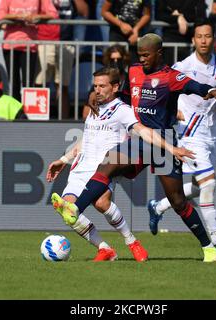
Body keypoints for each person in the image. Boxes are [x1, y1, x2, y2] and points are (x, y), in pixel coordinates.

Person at [51, 33, 216, 263]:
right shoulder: (133, 72)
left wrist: (210, 91)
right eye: (139, 55)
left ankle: (207, 245)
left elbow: (194, 85)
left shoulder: (171, 77)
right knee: (107, 164)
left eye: (146, 55)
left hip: (163, 140)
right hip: (140, 139)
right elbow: (124, 95)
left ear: (158, 54)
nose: (142, 59)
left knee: (178, 201)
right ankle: (75, 209)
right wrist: (97, 97)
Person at [147, 20, 216, 249]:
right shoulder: (183, 66)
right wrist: (173, 109)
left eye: (208, 36)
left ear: (213, 39)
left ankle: (158, 207)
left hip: (210, 132)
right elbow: (163, 89)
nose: (204, 40)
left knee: (199, 186)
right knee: (208, 185)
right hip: (189, 130)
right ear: (193, 40)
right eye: (199, 36)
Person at [47, 67, 149, 262]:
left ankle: (131, 241)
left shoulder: (124, 111)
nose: (97, 90)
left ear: (115, 87)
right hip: (80, 167)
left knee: (102, 204)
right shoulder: (93, 109)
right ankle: (105, 249)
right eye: (95, 86)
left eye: (102, 86)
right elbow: (85, 140)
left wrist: (161, 145)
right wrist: (64, 160)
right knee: (67, 210)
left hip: (103, 168)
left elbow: (138, 132)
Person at [0, 0, 55, 101]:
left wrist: (37, 16)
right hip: (10, 45)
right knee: (14, 83)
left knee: (28, 84)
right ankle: (17, 113)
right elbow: (0, 15)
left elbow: (53, 14)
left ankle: (26, 113)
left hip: (29, 46)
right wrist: (19, 16)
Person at [82, 44, 131, 119]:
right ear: (108, 61)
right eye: (112, 60)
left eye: (119, 60)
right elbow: (86, 113)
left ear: (125, 60)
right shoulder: (100, 82)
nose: (116, 63)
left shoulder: (131, 80)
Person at [156, 0, 207, 66]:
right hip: (170, 40)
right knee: (170, 71)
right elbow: (159, 15)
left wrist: (182, 16)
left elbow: (201, 16)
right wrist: (177, 18)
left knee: (188, 71)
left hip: (190, 39)